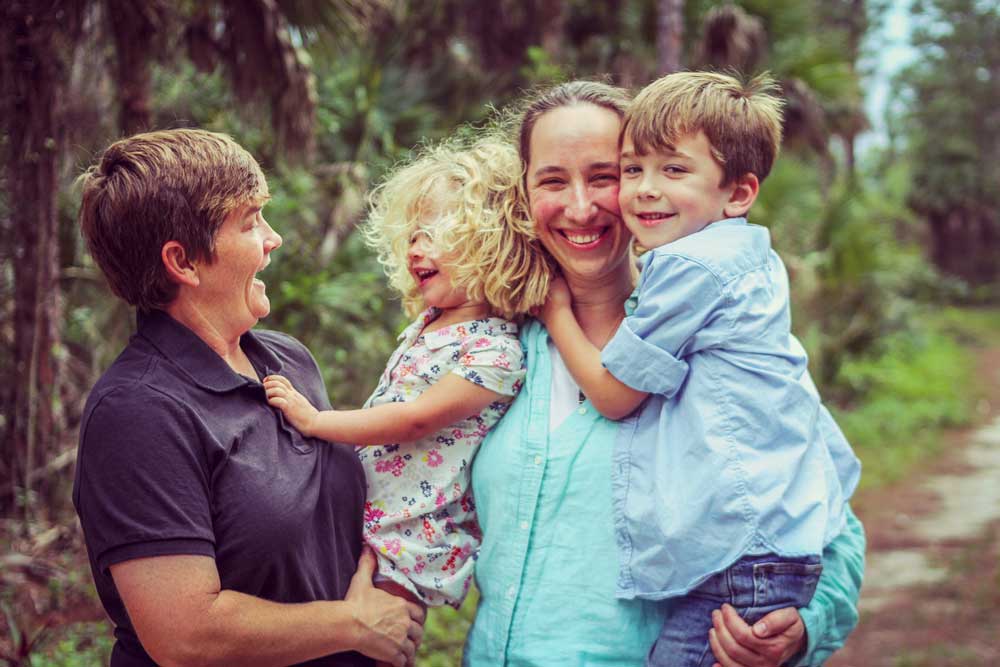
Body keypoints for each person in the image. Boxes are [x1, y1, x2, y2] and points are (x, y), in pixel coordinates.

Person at [464, 81, 866, 667]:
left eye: (603, 176)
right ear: (524, 194)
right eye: (552, 180)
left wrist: (801, 628)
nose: (580, 207)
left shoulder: (728, 356)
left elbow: (830, 529)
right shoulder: (488, 353)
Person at [73, 129, 424, 667]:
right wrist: (354, 625)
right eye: (250, 221)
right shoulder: (137, 412)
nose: (273, 238)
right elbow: (185, 634)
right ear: (184, 263)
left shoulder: (287, 359)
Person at [263, 137, 551, 614]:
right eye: (414, 234)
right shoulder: (429, 323)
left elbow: (416, 418)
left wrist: (316, 422)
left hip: (416, 539)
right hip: (374, 520)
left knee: (381, 636)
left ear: (492, 245)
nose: (418, 248)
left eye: (437, 234)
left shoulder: (495, 352)